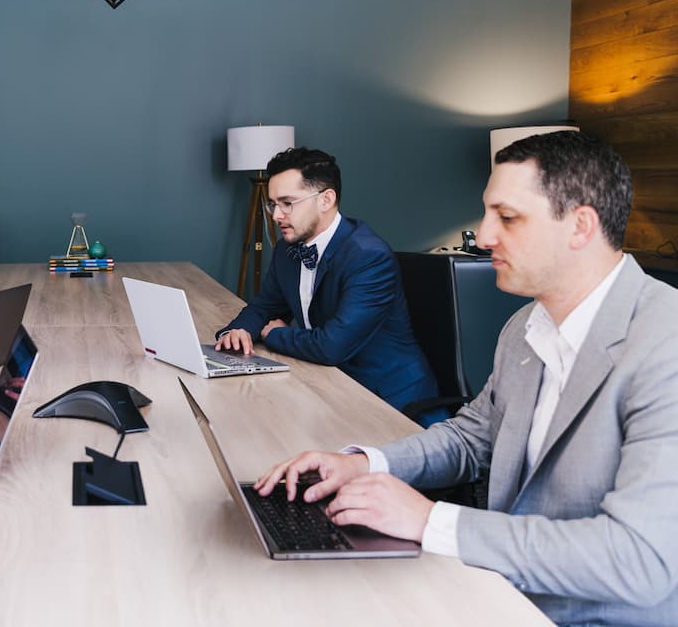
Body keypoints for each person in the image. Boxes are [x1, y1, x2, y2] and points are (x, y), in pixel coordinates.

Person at [256, 131, 678, 626]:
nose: (484, 234)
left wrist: (431, 520)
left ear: (580, 226)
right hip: (496, 589)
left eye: (508, 217)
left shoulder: (663, 343)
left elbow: (640, 561)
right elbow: (471, 438)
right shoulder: (524, 327)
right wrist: (364, 463)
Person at [215, 147, 438, 420]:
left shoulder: (368, 256)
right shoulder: (288, 249)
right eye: (273, 204)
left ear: (326, 199)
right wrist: (238, 331)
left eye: (287, 203)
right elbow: (263, 306)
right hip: (327, 385)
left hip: (389, 403)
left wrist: (273, 335)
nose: (275, 215)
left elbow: (332, 346)